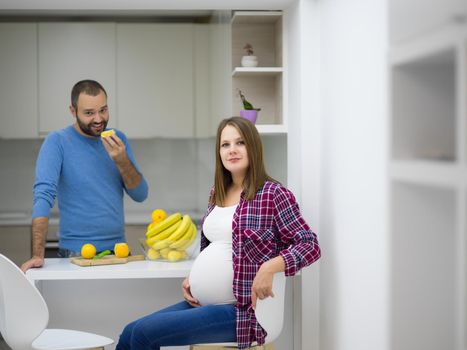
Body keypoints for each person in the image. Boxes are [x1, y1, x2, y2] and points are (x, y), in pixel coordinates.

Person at [116, 116, 320, 350]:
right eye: (225, 144)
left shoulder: (273, 194)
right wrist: (193, 278)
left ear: (253, 147)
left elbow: (310, 245)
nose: (232, 150)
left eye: (240, 143)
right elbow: (217, 246)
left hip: (243, 312)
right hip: (203, 304)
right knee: (130, 331)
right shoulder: (218, 192)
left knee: (143, 334)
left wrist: (269, 267)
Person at [21, 80, 148, 272]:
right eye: (89, 113)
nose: (98, 119)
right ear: (73, 111)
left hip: (118, 253)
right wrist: (37, 255)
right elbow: (43, 195)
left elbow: (141, 194)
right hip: (75, 255)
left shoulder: (117, 139)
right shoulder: (57, 142)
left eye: (103, 110)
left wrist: (122, 160)